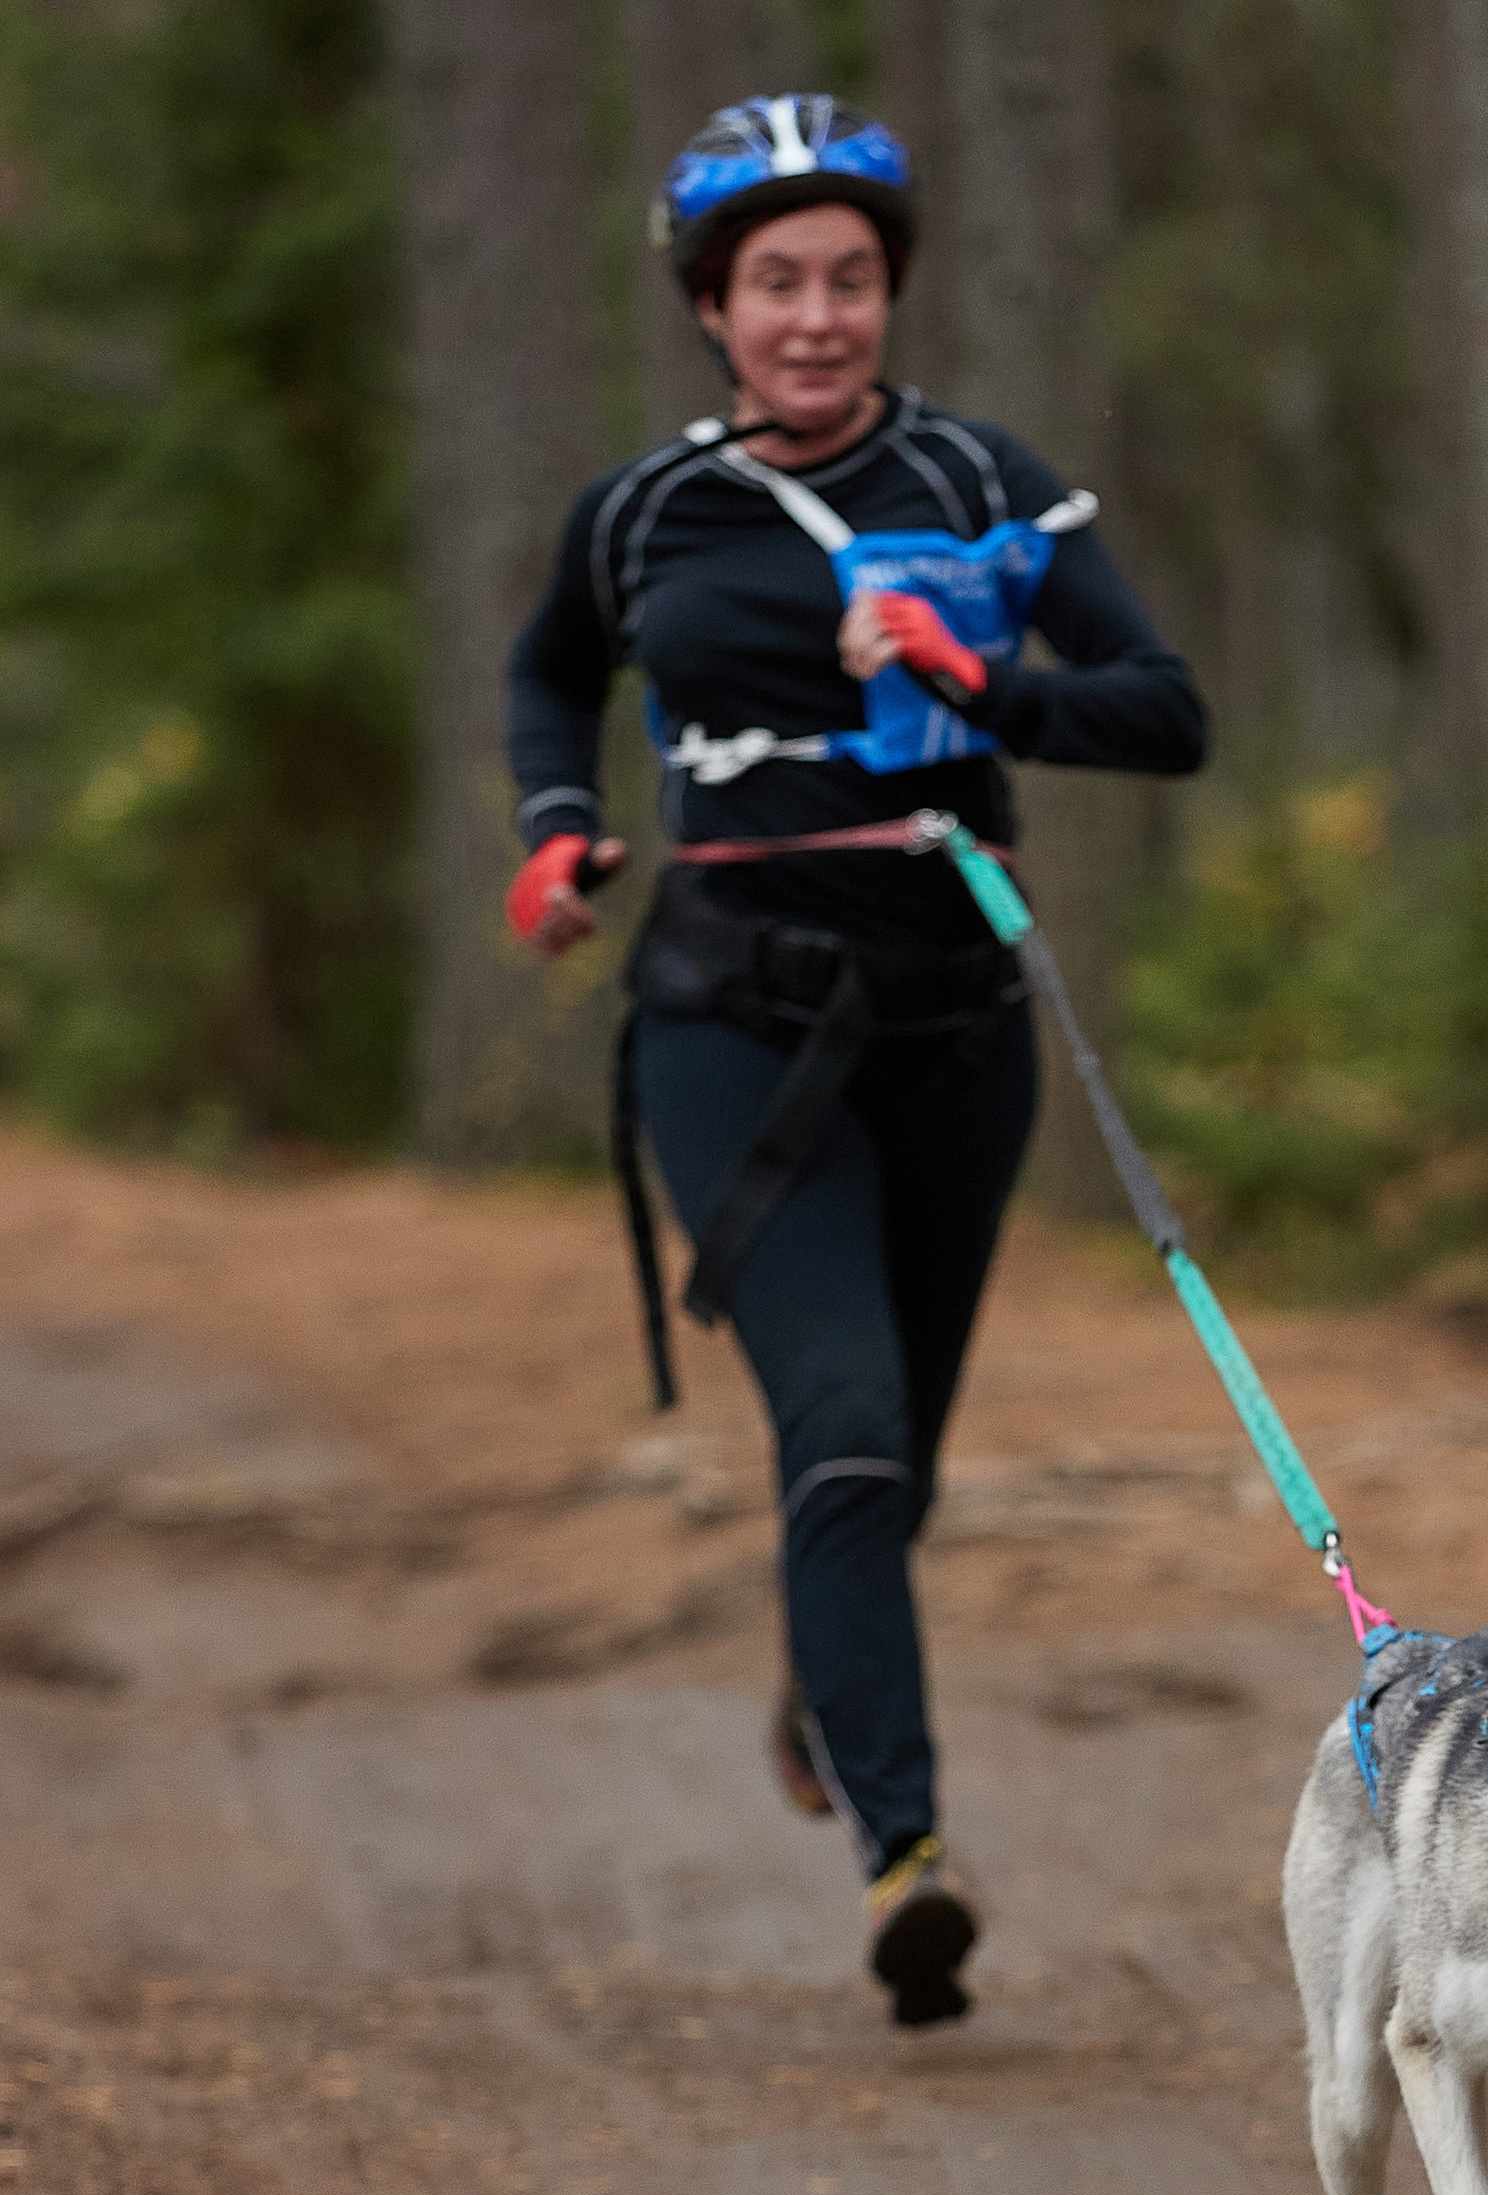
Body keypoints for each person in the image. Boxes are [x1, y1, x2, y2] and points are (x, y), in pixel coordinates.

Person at [503, 95, 1207, 2028]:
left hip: (956, 1035)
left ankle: (827, 1682)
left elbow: (1166, 716)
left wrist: (981, 678)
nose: (814, 315)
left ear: (889, 290)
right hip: (727, 1029)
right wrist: (559, 826)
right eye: (772, 284)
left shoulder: (986, 477)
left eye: (848, 279)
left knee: (890, 1472)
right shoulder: (644, 512)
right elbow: (550, 668)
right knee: (848, 1431)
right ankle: (907, 1854)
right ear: (713, 310)